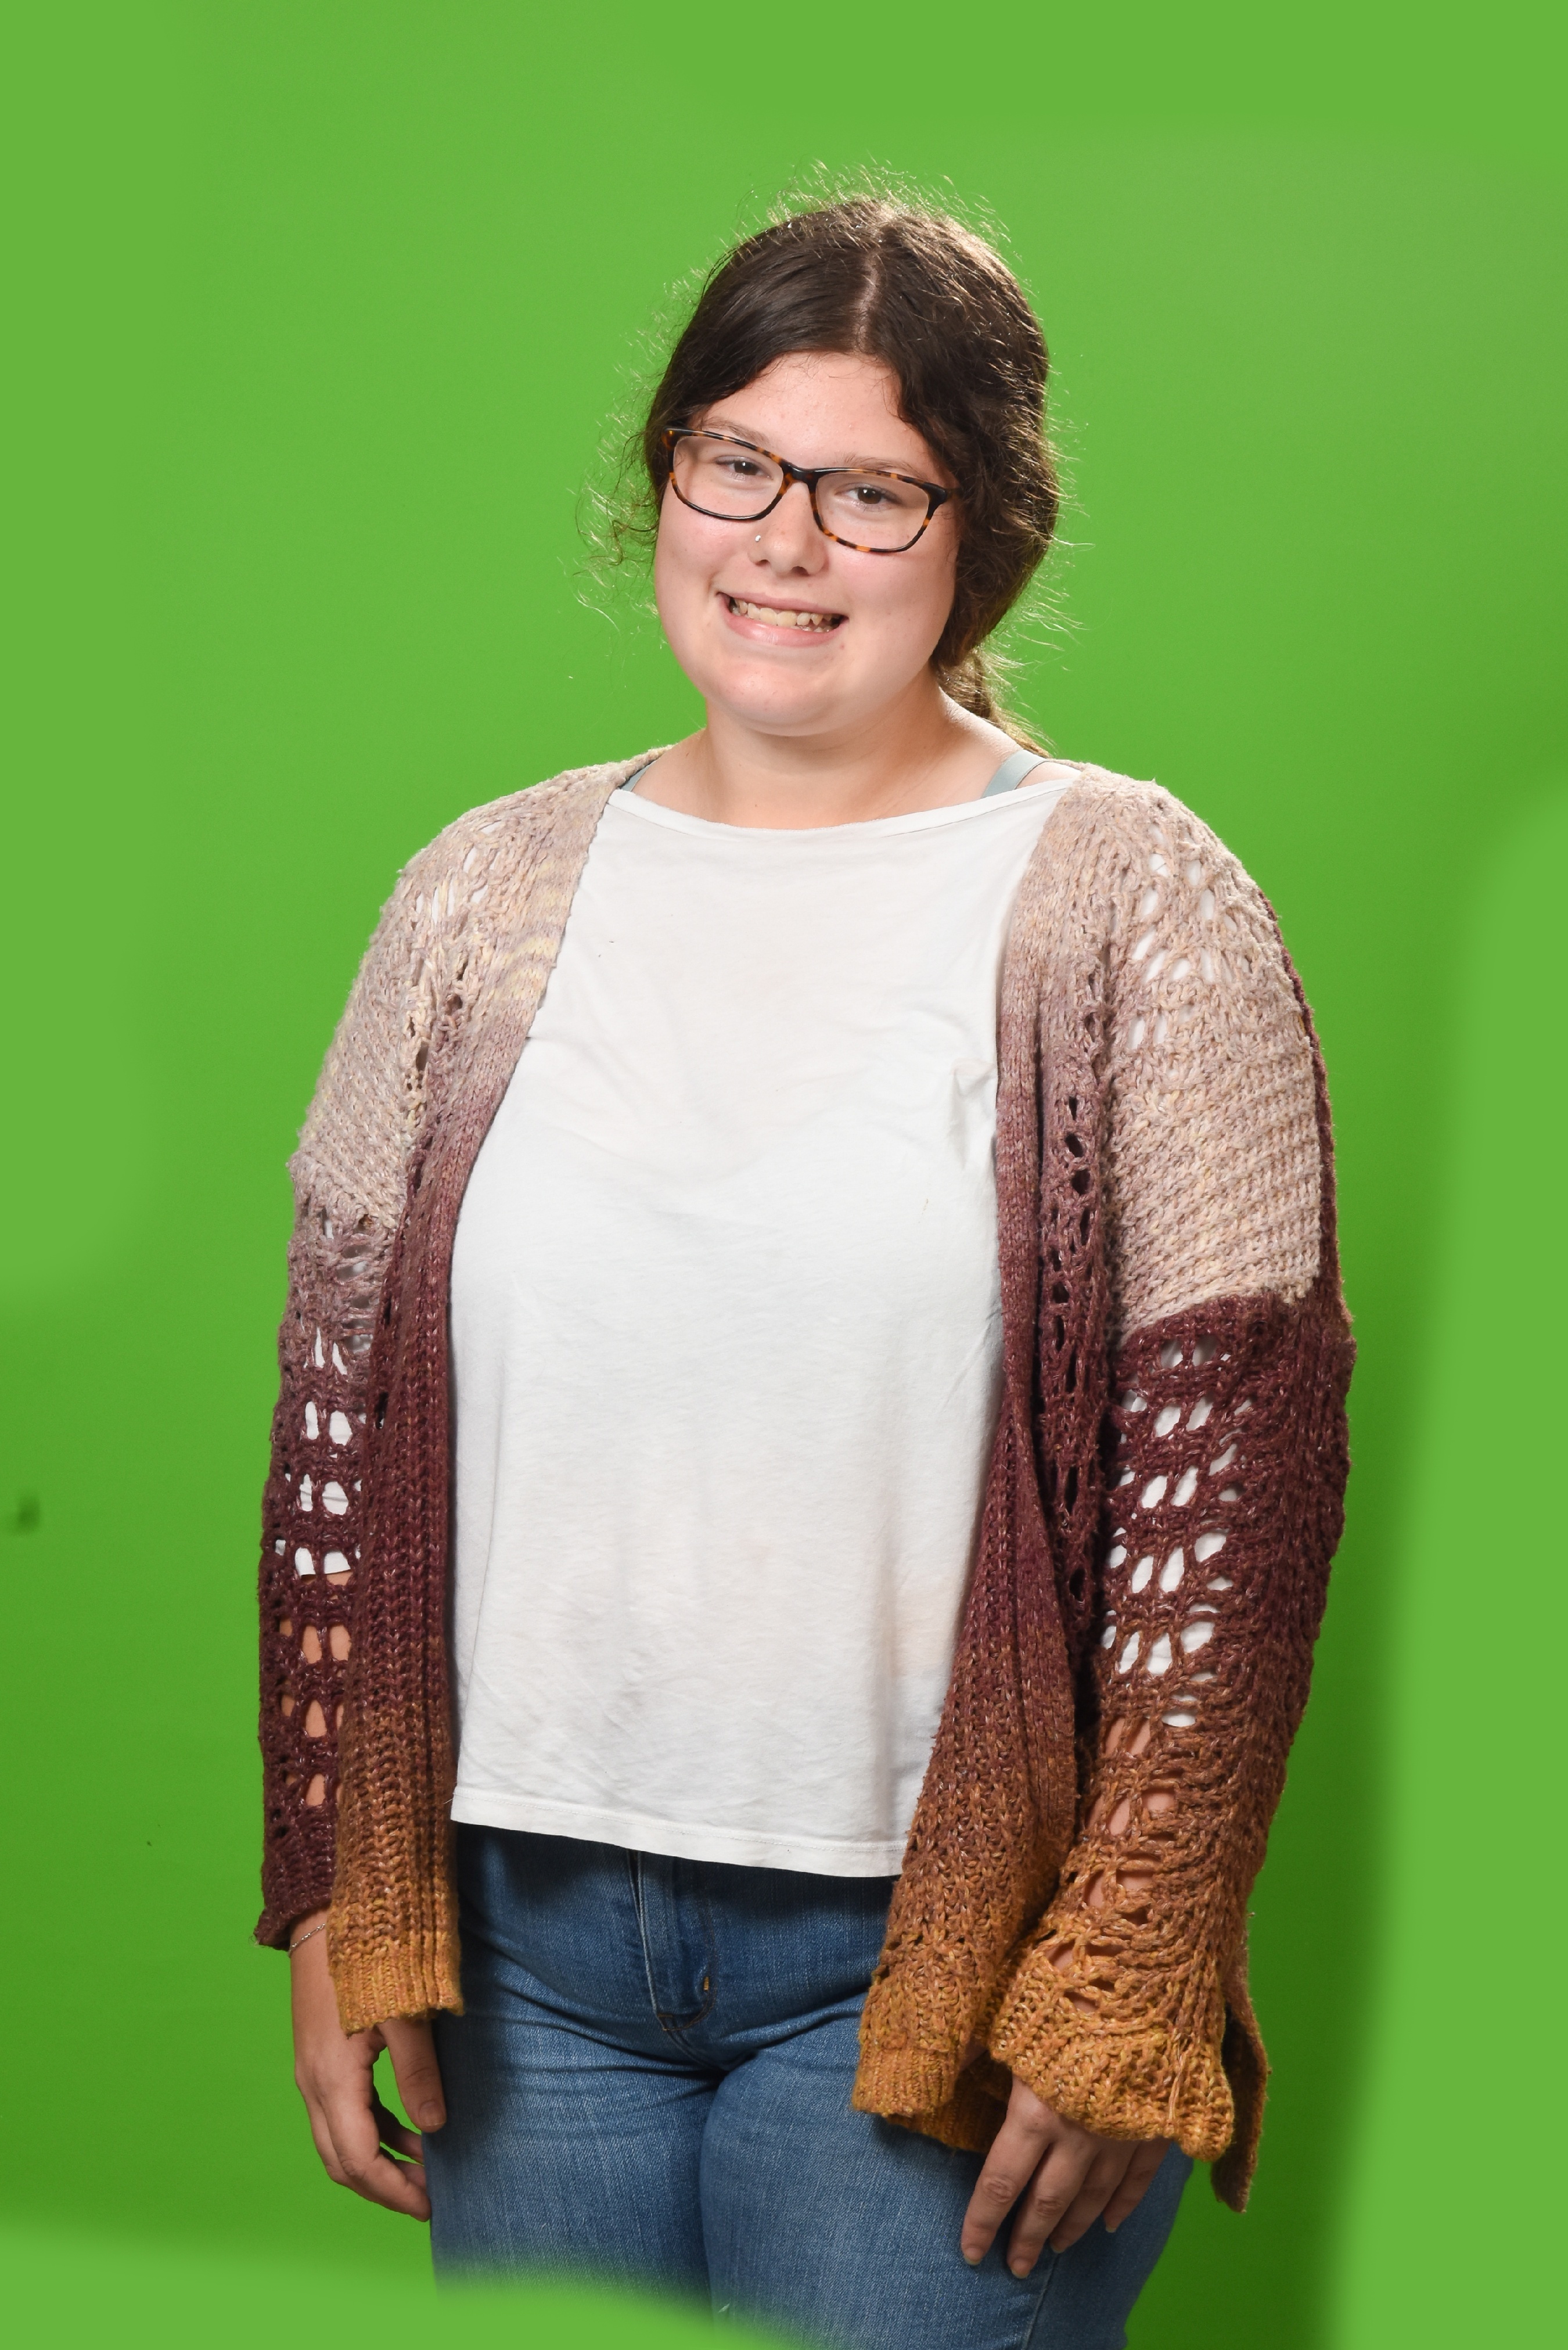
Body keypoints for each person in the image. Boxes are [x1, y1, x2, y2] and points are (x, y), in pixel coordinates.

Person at [258, 195, 1353, 2350]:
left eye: (870, 490)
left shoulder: (1132, 903)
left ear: (979, 533)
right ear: (664, 475)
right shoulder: (477, 897)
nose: (784, 542)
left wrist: (1126, 1969)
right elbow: (335, 1425)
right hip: (519, 1961)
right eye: (736, 463)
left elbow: (1237, 1500)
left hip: (939, 1957)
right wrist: (340, 1883)